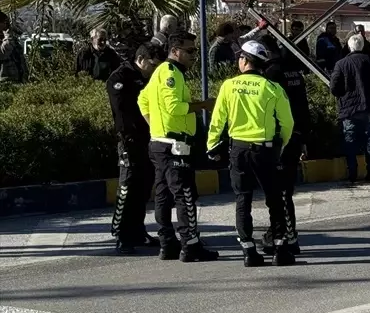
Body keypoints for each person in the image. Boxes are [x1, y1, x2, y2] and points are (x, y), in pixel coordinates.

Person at [207, 40, 296, 267]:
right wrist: (281, 146)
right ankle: (279, 249)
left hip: (238, 150)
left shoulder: (228, 86)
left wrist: (211, 145)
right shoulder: (272, 87)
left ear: (245, 60)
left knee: (242, 199)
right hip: (264, 151)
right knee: (274, 200)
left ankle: (248, 251)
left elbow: (218, 120)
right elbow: (287, 123)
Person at [137, 31, 219, 262]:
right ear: (175, 51)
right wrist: (203, 105)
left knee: (163, 194)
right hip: (174, 144)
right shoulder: (171, 73)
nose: (194, 55)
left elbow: (142, 100)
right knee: (184, 194)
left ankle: (167, 244)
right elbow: (174, 107)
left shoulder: (162, 72)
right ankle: (190, 244)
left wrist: (155, 127)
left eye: (196, 51)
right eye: (190, 51)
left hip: (162, 142)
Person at [261, 34, 310, 258]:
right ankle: (283, 233)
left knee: (279, 192)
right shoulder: (295, 72)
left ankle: (287, 237)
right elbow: (304, 107)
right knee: (284, 190)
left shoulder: (271, 75)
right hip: (296, 135)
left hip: (280, 138)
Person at [107, 45, 159, 254]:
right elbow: (122, 112)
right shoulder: (120, 77)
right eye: (152, 65)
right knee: (127, 187)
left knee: (144, 186)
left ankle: (138, 230)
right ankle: (121, 234)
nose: (154, 69)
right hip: (130, 139)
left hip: (149, 137)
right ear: (141, 59)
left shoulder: (150, 78)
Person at [329, 33, 370, 182]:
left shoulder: (341, 64)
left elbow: (334, 88)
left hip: (349, 109)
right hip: (368, 107)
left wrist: (343, 95)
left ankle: (352, 173)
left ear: (349, 46)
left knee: (350, 140)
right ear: (362, 46)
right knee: (369, 138)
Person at [0, 9, 29, 84]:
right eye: (3, 23)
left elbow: (20, 58)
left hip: (17, 79)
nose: (5, 25)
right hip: (4, 81)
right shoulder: (8, 38)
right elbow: (3, 54)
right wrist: (8, 36)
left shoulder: (9, 37)